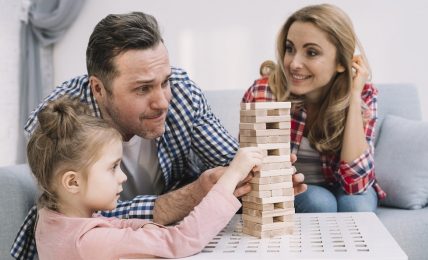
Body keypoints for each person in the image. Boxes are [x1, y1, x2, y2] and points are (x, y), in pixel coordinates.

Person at [12, 11, 307, 259]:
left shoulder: (181, 93)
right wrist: (193, 194)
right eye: (142, 88)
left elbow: (235, 162)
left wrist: (263, 179)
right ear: (98, 89)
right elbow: (76, 213)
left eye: (164, 81)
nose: (163, 101)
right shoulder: (58, 123)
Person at [27, 97, 263, 259]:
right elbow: (181, 241)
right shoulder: (87, 242)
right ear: (72, 182)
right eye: (113, 168)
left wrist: (150, 231)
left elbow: (118, 226)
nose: (122, 177)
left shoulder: (52, 220)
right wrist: (231, 175)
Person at [242, 4, 386, 213]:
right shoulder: (265, 91)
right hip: (292, 188)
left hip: (343, 186)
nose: (293, 63)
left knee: (357, 204)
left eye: (311, 52)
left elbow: (357, 184)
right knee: (320, 202)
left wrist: (353, 97)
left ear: (341, 63)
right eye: (290, 49)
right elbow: (253, 172)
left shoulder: (363, 94)